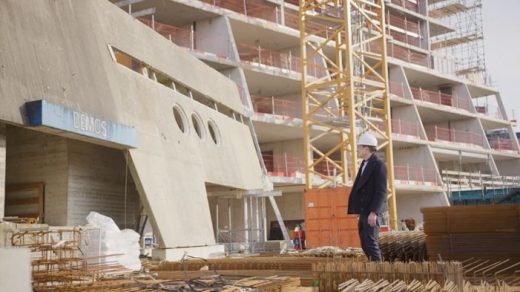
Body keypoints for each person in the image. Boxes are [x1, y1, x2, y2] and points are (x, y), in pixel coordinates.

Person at [347, 132, 388, 261]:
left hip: (372, 212)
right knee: (364, 243)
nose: (357, 149)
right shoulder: (364, 164)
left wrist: (374, 212)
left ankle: (380, 272)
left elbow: (381, 191)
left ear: (366, 148)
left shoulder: (379, 165)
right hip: (364, 212)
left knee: (371, 242)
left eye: (359, 147)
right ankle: (374, 269)